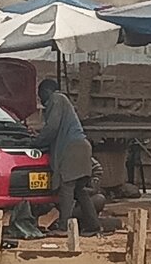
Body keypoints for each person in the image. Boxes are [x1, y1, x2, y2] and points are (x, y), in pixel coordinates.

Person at [31, 79, 100, 236]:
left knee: (67, 187)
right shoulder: (63, 103)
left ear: (47, 91)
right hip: (82, 146)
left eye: (40, 93)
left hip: (72, 148)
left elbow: (52, 128)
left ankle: (63, 227)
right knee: (79, 190)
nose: (40, 98)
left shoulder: (57, 98)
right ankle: (93, 225)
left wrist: (36, 142)